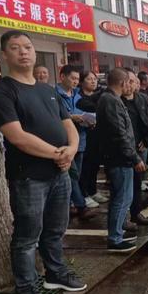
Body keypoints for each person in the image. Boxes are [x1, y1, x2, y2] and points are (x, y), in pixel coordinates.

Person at [0, 30, 87, 294]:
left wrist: (71, 149)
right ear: (5, 55)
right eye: (15, 48)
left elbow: (68, 124)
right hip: (28, 176)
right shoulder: (1, 92)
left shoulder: (47, 89)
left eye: (27, 46)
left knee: (55, 230)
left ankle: (55, 272)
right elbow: (16, 136)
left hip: (59, 174)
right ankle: (26, 290)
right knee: (27, 237)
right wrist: (59, 154)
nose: (23, 52)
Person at [96, 67, 145, 253]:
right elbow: (119, 134)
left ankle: (117, 232)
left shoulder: (110, 99)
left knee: (123, 197)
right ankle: (115, 238)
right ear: (123, 83)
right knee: (122, 198)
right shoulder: (111, 101)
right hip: (119, 159)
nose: (131, 86)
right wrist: (134, 157)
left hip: (119, 157)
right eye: (130, 82)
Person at [56, 65, 99, 215]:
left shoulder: (77, 95)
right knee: (71, 173)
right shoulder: (54, 94)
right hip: (63, 140)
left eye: (77, 79)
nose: (75, 82)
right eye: (72, 78)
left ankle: (72, 203)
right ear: (62, 77)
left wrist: (89, 120)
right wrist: (70, 117)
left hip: (80, 139)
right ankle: (79, 205)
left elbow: (85, 110)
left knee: (76, 173)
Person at [123, 69, 148, 226]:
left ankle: (136, 213)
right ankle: (122, 219)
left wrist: (147, 140)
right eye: (129, 81)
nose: (132, 84)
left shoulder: (142, 99)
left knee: (137, 182)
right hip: (122, 149)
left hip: (140, 146)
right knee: (122, 186)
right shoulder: (114, 100)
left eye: (134, 81)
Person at [76, 71, 109, 206]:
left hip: (97, 136)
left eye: (94, 79)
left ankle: (93, 190)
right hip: (84, 136)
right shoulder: (78, 97)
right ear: (82, 81)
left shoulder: (101, 96)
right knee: (85, 166)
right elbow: (86, 107)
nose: (93, 81)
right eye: (89, 79)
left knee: (95, 165)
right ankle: (84, 194)